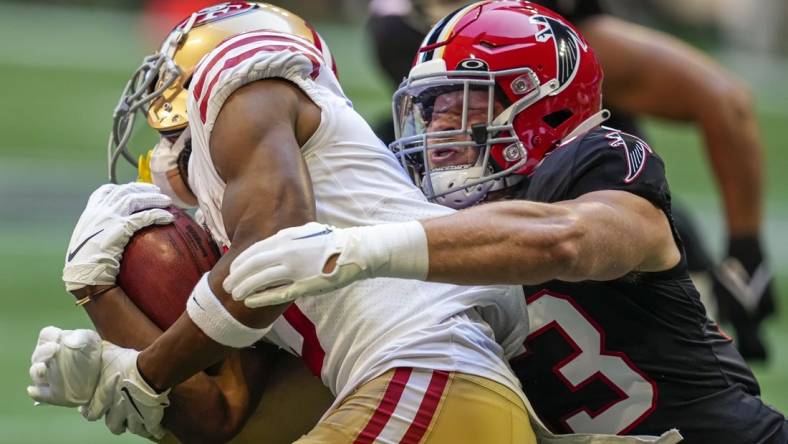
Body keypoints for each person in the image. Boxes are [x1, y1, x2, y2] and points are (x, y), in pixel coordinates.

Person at [222, 2, 787, 443]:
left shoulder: (599, 164)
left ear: (542, 106)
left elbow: (567, 241)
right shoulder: (425, 202)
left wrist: (359, 248)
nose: (435, 131)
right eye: (430, 108)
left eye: (459, 105)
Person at [27, 2, 547, 443]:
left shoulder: (243, 84)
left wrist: (142, 373)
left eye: (168, 85)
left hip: (428, 377)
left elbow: (272, 250)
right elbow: (222, 418)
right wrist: (97, 300)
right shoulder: (244, 220)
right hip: (436, 399)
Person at [367, 0, 776, 361]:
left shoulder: (536, 32)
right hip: (485, 216)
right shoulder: (396, 24)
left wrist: (746, 251)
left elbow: (724, 100)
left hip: (598, 226)